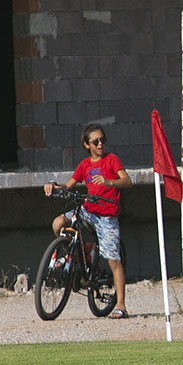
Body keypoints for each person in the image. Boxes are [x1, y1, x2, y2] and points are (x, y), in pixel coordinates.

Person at [43, 124, 132, 319]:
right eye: (95, 141)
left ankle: (121, 305)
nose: (100, 144)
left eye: (102, 140)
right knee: (59, 223)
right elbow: (68, 185)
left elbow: (127, 181)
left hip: (107, 217)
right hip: (88, 211)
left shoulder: (111, 160)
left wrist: (109, 182)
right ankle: (76, 256)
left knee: (113, 260)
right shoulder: (85, 165)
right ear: (86, 144)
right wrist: (52, 186)